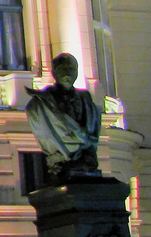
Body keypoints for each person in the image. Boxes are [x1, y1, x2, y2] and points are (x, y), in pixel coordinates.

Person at [25, 53, 102, 182]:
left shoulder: (88, 103)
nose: (68, 74)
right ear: (54, 72)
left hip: (86, 159)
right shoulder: (39, 106)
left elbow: (93, 131)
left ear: (77, 72)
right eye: (63, 69)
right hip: (63, 164)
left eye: (71, 69)